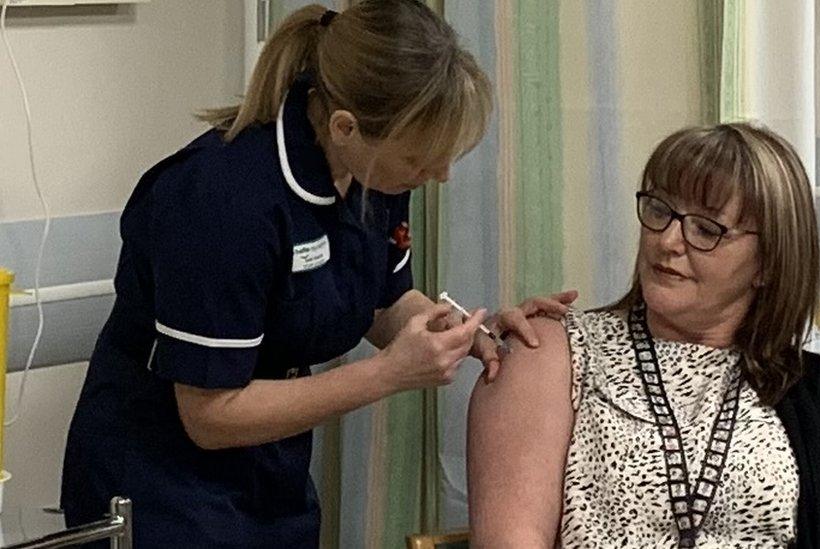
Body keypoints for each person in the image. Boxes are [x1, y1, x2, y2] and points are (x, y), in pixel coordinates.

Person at [61, 2, 575, 547]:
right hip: (161, 483)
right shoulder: (221, 202)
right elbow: (209, 415)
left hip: (271, 474)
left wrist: (475, 331)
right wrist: (388, 375)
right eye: (420, 161)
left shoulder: (372, 175)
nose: (440, 175)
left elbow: (380, 304)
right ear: (345, 126)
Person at [467, 123, 820, 548]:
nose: (668, 240)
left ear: (769, 263)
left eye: (705, 228)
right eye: (660, 210)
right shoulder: (549, 350)